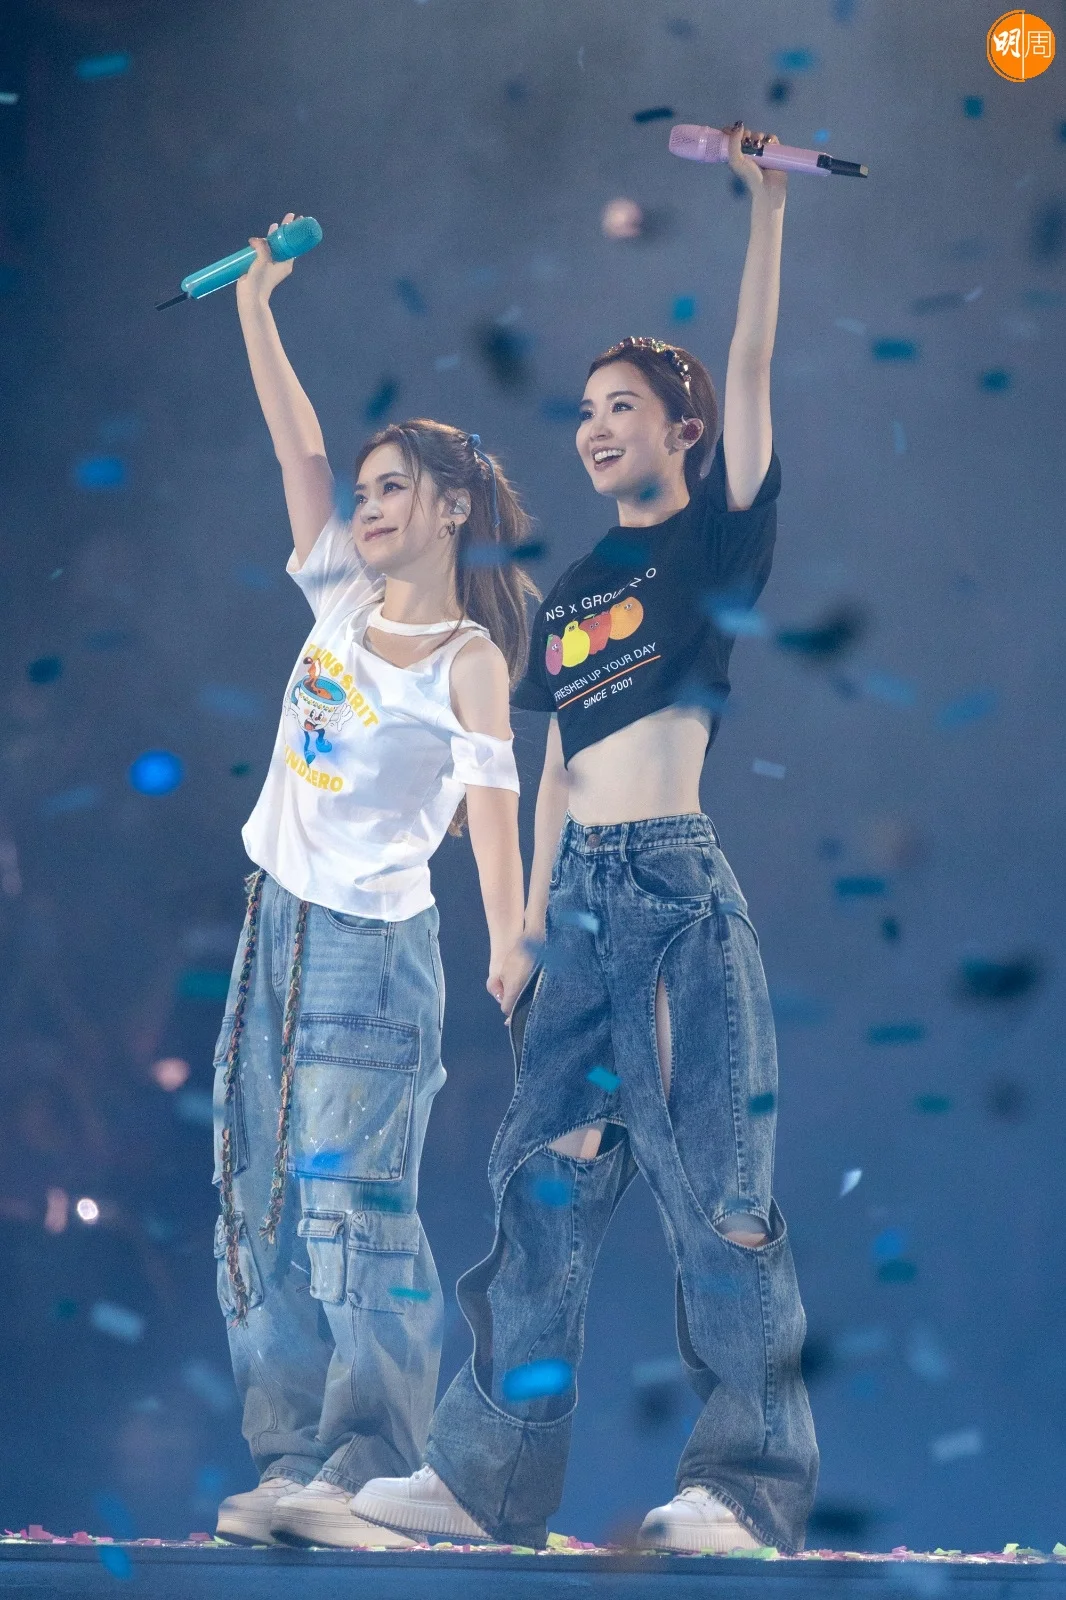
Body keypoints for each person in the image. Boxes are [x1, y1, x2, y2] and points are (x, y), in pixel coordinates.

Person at [351, 125, 819, 1554]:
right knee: (536, 1192)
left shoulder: (714, 539)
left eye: (626, 407)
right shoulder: (570, 590)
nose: (598, 425)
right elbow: (549, 767)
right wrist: (522, 924)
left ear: (684, 434)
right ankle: (484, 1482)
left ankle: (743, 1489)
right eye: (587, 409)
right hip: (584, 915)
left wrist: (762, 208)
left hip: (675, 894)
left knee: (714, 1199)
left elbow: (750, 365)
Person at [210, 216, 535, 1549]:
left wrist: (511, 938)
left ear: (452, 505)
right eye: (364, 489)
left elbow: (496, 804)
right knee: (256, 1202)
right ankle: (291, 1461)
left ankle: (370, 1469)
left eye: (394, 487)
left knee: (357, 1212)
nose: (367, 503)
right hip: (273, 928)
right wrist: (255, 306)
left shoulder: (465, 655)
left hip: (369, 951)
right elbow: (294, 448)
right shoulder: (340, 602)